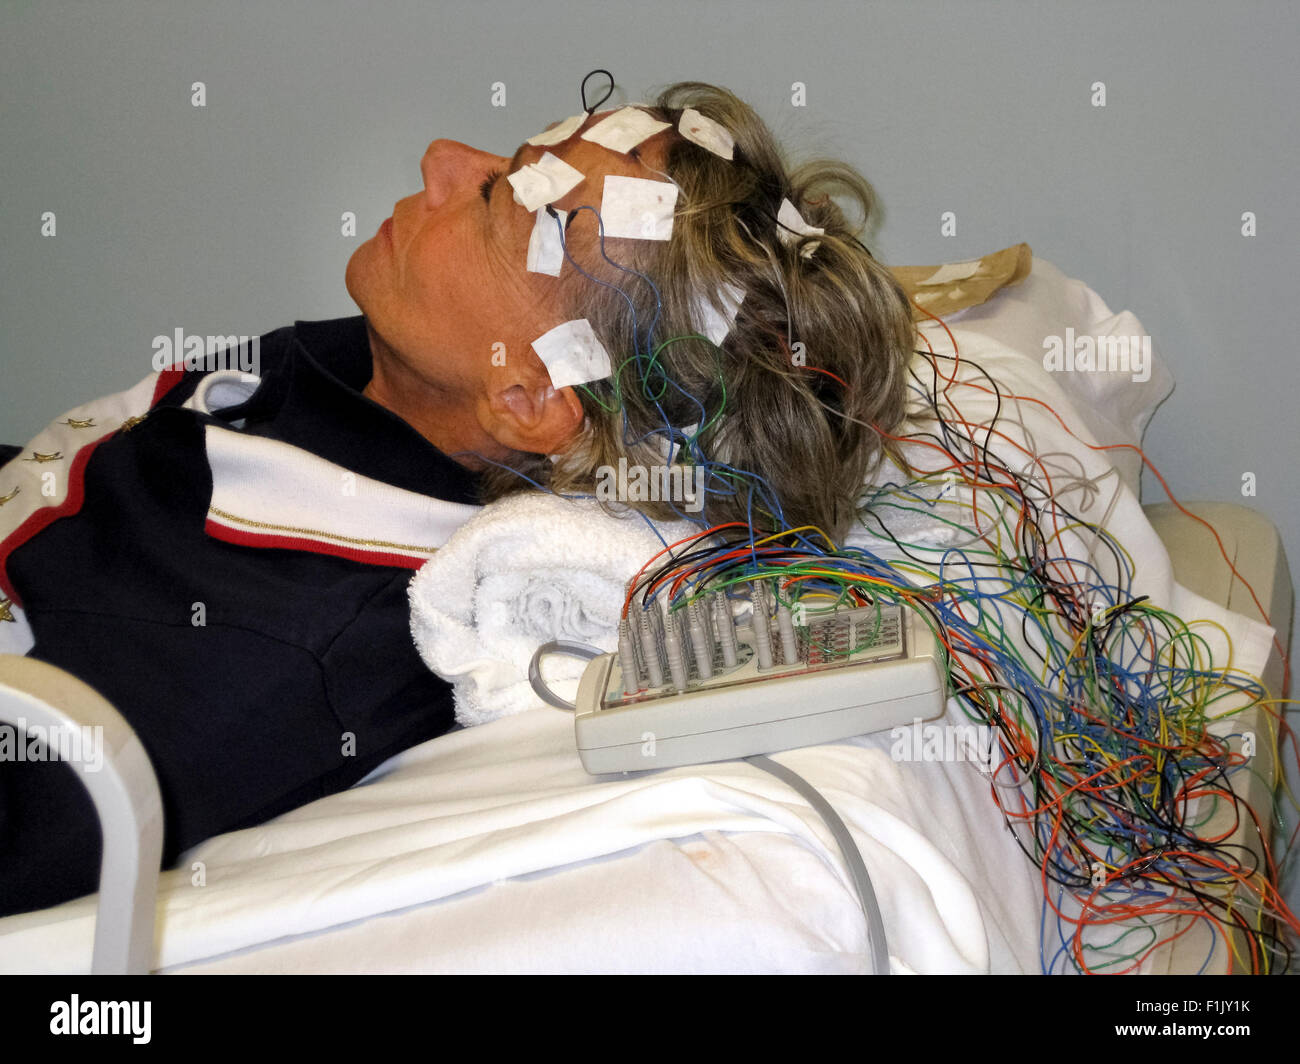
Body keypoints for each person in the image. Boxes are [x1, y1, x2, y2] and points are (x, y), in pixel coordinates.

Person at [0, 79, 916, 918]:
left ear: (526, 396)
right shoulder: (381, 381)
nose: (442, 156)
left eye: (497, 198)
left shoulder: (273, 646)